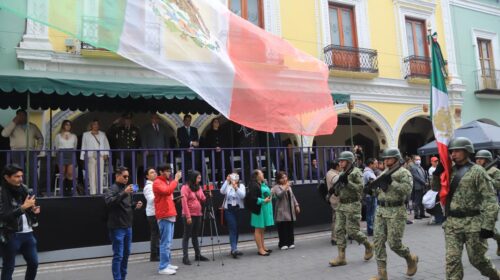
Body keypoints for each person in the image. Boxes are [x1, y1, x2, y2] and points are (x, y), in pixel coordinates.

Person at [431, 138, 500, 280]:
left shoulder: (478, 171)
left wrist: (488, 225)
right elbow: (436, 188)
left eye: (457, 151)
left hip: (473, 223)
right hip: (452, 224)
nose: (453, 154)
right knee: (452, 261)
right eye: (451, 151)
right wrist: (437, 174)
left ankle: (495, 276)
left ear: (467, 151)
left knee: (477, 260)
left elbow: (490, 200)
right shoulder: (449, 171)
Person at [369, 148, 418, 280]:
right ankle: (382, 274)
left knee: (394, 244)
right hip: (381, 211)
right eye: (385, 158)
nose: (386, 160)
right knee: (378, 242)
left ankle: (410, 258)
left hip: (396, 211)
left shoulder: (404, 173)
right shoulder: (384, 172)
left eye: (389, 158)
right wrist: (371, 190)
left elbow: (407, 191)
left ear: (396, 159)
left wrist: (391, 182)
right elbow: (380, 191)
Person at [329, 151, 373, 267]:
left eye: (342, 161)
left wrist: (347, 182)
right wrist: (334, 191)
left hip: (352, 204)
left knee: (353, 231)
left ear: (349, 161)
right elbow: (339, 191)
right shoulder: (342, 173)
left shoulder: (356, 172)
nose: (340, 162)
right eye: (339, 161)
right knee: (338, 230)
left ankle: (368, 245)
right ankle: (341, 257)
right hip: (342, 205)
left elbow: (360, 188)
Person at [0, 164, 40, 280]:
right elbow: (3, 216)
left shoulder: (24, 189)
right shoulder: (1, 192)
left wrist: (32, 210)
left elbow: (28, 206)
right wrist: (23, 208)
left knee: (34, 263)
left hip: (28, 233)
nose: (20, 179)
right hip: (10, 234)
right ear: (7, 177)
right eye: (16, 176)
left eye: (21, 176)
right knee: (9, 267)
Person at [103, 166, 143, 280]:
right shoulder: (111, 189)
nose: (126, 179)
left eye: (128, 177)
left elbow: (127, 205)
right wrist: (124, 193)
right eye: (124, 176)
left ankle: (123, 277)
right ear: (117, 176)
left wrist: (135, 205)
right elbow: (109, 203)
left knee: (126, 254)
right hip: (117, 227)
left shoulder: (127, 189)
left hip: (128, 226)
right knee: (118, 255)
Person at [1, 109, 44, 187]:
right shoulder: (13, 126)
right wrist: (14, 122)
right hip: (16, 151)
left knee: (32, 170)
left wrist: (38, 149)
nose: (21, 117)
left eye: (23, 115)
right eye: (19, 116)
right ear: (17, 116)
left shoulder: (32, 126)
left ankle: (35, 189)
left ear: (26, 116)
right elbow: (4, 134)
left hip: (30, 151)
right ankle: (18, 188)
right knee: (17, 171)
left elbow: (40, 138)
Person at [153, 164, 182, 275]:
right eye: (167, 171)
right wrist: (176, 179)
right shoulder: (157, 182)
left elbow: (167, 195)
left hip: (169, 214)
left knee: (168, 242)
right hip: (164, 215)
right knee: (165, 243)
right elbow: (167, 192)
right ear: (161, 172)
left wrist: (174, 201)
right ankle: (163, 267)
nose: (169, 173)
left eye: (170, 171)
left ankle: (167, 263)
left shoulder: (165, 182)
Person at [474, 150, 500, 257]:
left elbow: (498, 185)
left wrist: (486, 177)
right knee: (477, 228)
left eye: (481, 158)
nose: (478, 160)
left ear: (487, 160)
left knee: (489, 229)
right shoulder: (474, 170)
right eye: (477, 158)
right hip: (476, 204)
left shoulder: (495, 171)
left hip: (489, 204)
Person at [180, 170, 209, 265]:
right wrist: (188, 216)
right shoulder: (185, 187)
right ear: (193, 178)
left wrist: (208, 195)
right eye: (198, 178)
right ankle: (185, 257)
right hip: (189, 215)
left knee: (195, 236)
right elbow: (184, 203)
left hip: (198, 214)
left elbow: (202, 198)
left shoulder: (198, 187)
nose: (199, 180)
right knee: (186, 236)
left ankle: (198, 254)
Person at [246, 169, 274, 256]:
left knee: (262, 229)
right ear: (257, 175)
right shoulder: (254, 185)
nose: (263, 174)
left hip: (262, 209)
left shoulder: (260, 183)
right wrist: (263, 200)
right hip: (257, 210)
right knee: (258, 229)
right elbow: (252, 198)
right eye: (261, 173)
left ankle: (263, 246)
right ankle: (260, 249)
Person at [80, 119, 110, 195]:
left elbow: (106, 144)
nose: (96, 126)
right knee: (91, 174)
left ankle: (100, 191)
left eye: (97, 124)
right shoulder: (86, 134)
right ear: (91, 125)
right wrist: (83, 157)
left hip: (101, 156)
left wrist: (106, 154)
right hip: (91, 156)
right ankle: (93, 192)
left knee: (100, 174)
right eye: (94, 124)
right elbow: (83, 146)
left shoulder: (102, 134)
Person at [220, 172, 246, 258]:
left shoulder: (241, 186)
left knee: (237, 229)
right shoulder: (227, 185)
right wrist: (226, 181)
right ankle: (234, 249)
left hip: (238, 209)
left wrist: (236, 188)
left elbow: (242, 196)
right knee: (233, 228)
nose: (234, 178)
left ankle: (234, 248)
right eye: (232, 176)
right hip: (229, 209)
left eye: (236, 177)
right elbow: (222, 191)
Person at [272, 171, 300, 250]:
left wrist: (296, 205)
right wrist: (285, 187)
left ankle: (291, 242)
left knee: (290, 226)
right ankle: (282, 243)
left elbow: (292, 196)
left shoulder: (288, 186)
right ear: (278, 179)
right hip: (282, 210)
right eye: (282, 178)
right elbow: (280, 195)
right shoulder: (276, 187)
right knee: (282, 227)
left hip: (290, 209)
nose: (284, 179)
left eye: (285, 177)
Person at [54, 119, 78, 196]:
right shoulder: (58, 136)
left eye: (69, 125)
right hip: (61, 153)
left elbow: (75, 146)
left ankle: (69, 189)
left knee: (70, 173)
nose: (68, 126)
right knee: (62, 173)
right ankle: (63, 190)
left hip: (70, 153)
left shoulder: (74, 136)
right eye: (66, 124)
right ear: (63, 125)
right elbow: (56, 146)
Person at [143, 167, 159, 262]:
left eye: (155, 172)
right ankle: (154, 255)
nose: (154, 173)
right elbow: (151, 199)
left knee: (157, 234)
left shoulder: (155, 184)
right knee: (155, 234)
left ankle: (157, 253)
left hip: (157, 212)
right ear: (147, 176)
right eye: (152, 172)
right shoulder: (148, 187)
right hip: (152, 213)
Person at [204, 118, 226, 184]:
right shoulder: (209, 132)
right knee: (213, 167)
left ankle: (219, 182)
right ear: (212, 123)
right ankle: (213, 182)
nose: (216, 123)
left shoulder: (222, 132)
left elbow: (224, 142)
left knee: (220, 167)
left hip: (220, 153)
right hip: (212, 152)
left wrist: (220, 147)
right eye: (215, 122)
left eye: (217, 122)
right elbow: (207, 143)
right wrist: (214, 147)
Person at [326, 160, 341, 245]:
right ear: (336, 166)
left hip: (336, 199)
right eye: (340, 165)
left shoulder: (334, 172)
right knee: (336, 219)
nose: (341, 166)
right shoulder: (331, 173)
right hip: (335, 199)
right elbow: (336, 180)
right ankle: (334, 238)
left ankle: (337, 237)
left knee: (337, 218)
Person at [410, 155, 428, 219]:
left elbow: (424, 175)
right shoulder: (413, 167)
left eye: (419, 159)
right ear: (414, 160)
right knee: (417, 201)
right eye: (417, 159)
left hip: (422, 186)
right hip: (417, 186)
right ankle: (416, 215)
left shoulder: (420, 167)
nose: (418, 161)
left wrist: (426, 181)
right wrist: (424, 183)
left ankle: (422, 214)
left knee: (422, 201)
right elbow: (416, 177)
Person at [363, 158, 378, 236]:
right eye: (375, 163)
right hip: (371, 195)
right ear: (370, 164)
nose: (377, 165)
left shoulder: (369, 172)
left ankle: (371, 228)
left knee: (371, 213)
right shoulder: (368, 173)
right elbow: (373, 183)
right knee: (371, 213)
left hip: (371, 195)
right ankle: (370, 229)